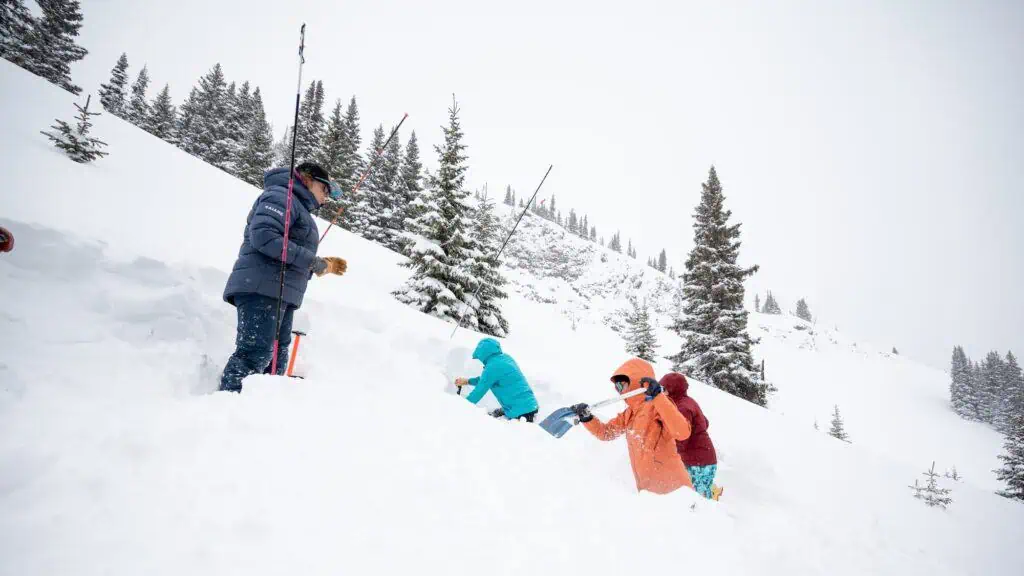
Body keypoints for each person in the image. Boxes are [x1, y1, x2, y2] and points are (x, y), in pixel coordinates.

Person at [220, 162, 347, 392]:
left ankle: (259, 412)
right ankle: (227, 406)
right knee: (255, 354)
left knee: (275, 361)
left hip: (280, 293)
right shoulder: (280, 195)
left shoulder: (298, 207)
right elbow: (264, 237)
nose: (326, 197)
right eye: (325, 189)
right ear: (307, 179)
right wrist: (312, 262)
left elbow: (289, 252)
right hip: (261, 288)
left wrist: (321, 265)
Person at [570, 359, 693, 495]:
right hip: (649, 491)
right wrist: (587, 418)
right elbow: (606, 433)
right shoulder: (630, 413)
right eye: (617, 388)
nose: (619, 392)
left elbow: (682, 432)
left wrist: (658, 397)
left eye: (621, 386)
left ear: (635, 383)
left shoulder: (657, 406)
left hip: (675, 490)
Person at [662, 372, 723, 501]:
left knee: (697, 498)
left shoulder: (681, 407)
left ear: (673, 390)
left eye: (664, 389)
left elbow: (682, 437)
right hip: (703, 457)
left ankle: (712, 507)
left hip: (698, 462)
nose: (661, 393)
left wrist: (667, 452)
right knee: (699, 488)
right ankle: (713, 492)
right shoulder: (687, 401)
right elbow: (704, 422)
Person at [455, 338, 539, 422]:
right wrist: (467, 381)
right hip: (531, 405)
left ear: (483, 354)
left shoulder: (491, 367)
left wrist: (462, 408)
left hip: (520, 414)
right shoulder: (506, 358)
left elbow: (478, 392)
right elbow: (487, 380)